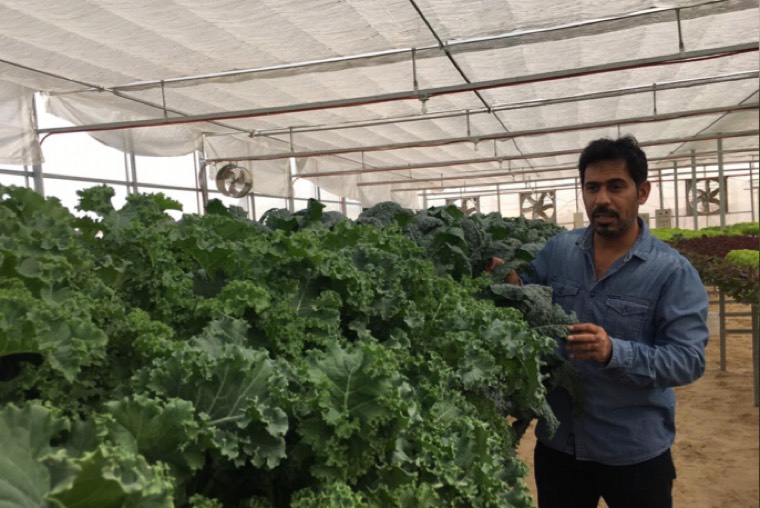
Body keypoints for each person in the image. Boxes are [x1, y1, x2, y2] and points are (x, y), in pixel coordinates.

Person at [511, 135, 709, 508]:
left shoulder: (672, 272)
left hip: (634, 452)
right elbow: (524, 298)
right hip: (560, 446)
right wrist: (509, 283)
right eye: (592, 187)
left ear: (642, 192)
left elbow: (688, 360)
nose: (602, 199)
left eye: (616, 186)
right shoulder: (558, 251)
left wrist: (614, 352)